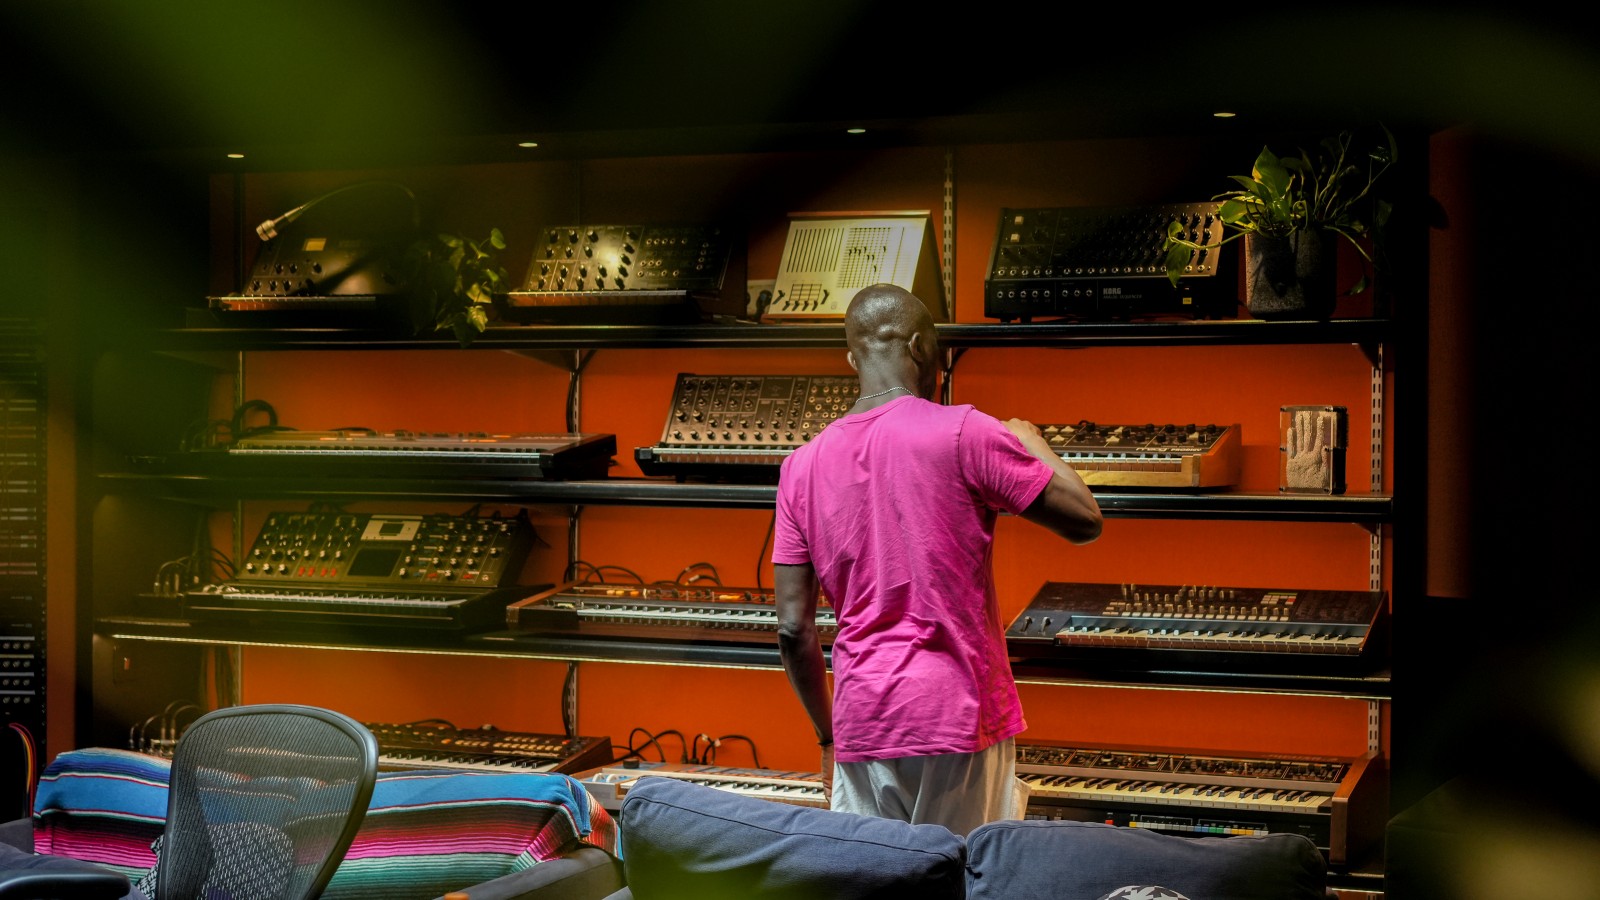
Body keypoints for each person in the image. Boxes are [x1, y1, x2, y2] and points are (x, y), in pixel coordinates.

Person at [772, 282, 1103, 836]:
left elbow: (791, 629)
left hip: (862, 723)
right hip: (957, 713)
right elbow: (1085, 520)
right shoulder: (965, 431)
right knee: (964, 872)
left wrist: (829, 737)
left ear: (852, 360)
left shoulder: (799, 467)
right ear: (923, 347)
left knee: (875, 877)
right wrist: (1033, 441)